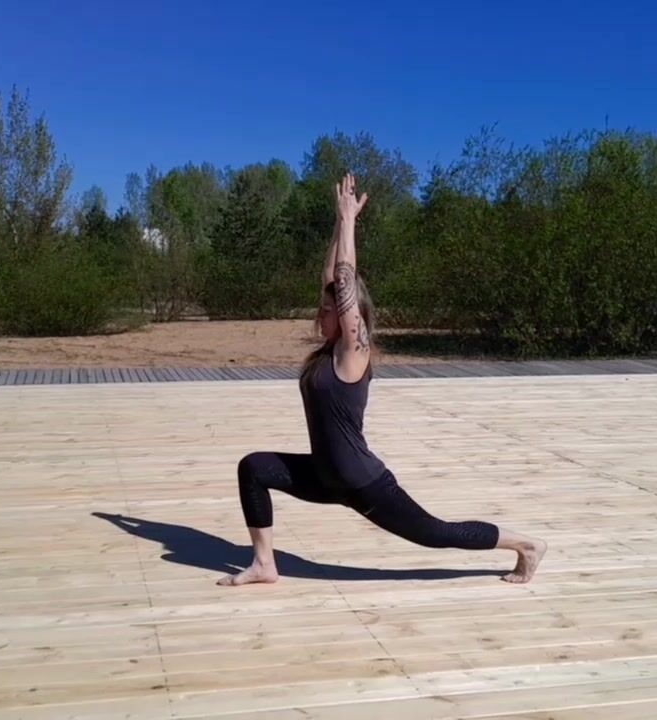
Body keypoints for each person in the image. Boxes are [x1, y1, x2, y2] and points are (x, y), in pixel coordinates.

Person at [219, 173, 547, 587]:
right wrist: (340, 222)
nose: (318, 315)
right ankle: (265, 564)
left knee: (436, 533)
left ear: (347, 313)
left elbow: (342, 282)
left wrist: (351, 223)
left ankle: (526, 546)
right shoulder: (327, 352)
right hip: (324, 475)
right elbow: (331, 276)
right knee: (253, 468)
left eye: (326, 310)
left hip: (362, 482)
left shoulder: (353, 350)